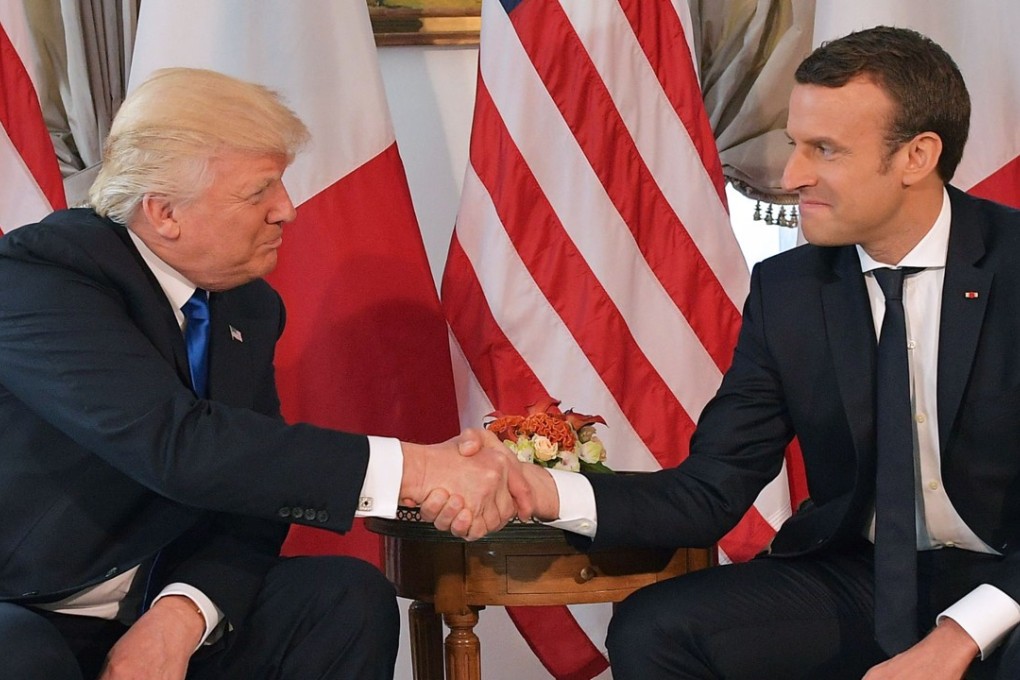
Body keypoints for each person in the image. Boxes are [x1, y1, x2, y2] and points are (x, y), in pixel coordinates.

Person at [465, 26, 1020, 679]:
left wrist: (956, 638)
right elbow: (710, 488)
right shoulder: (791, 291)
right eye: (794, 145)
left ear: (917, 156)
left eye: (825, 150)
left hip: (1007, 582)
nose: (791, 176)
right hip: (866, 575)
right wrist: (545, 491)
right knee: (656, 629)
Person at [0, 67, 525, 680]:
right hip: (23, 597)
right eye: (260, 192)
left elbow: (253, 490)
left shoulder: (247, 303)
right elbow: (177, 444)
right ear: (164, 212)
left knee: (343, 598)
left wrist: (182, 615)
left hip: (150, 599)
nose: (289, 211)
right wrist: (413, 468)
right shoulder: (42, 279)